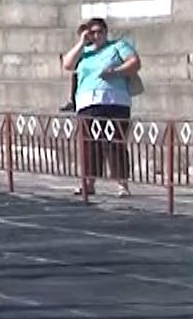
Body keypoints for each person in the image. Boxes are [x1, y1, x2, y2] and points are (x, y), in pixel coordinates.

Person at [60, 17, 140, 198]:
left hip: (115, 101)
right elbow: (67, 64)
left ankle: (122, 184)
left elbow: (134, 62)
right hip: (88, 102)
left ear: (106, 32)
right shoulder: (84, 52)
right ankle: (88, 182)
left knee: (115, 143)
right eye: (92, 32)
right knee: (89, 143)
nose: (96, 36)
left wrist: (114, 72)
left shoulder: (117, 46)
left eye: (100, 32)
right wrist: (82, 42)